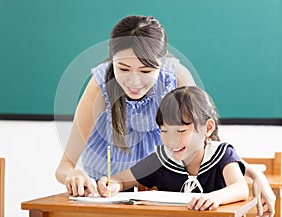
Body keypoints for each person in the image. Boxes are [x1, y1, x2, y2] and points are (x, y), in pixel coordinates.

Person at [55, 15, 275, 216]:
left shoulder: (176, 79)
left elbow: (208, 147)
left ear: (162, 63)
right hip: (105, 192)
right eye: (122, 68)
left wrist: (254, 174)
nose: (133, 81)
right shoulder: (100, 84)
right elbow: (64, 167)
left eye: (145, 71)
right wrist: (74, 175)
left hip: (157, 193)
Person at [97, 86, 249, 210]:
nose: (171, 140)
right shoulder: (161, 160)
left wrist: (216, 197)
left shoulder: (222, 155)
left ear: (208, 128)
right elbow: (121, 180)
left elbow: (240, 188)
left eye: (181, 131)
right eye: (164, 131)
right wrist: (110, 184)